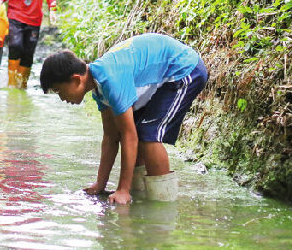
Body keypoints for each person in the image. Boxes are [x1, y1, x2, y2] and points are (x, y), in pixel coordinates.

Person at [38, 34, 208, 203]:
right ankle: (141, 199)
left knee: (148, 136)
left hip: (184, 69)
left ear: (76, 80)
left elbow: (129, 136)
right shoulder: (99, 87)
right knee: (138, 130)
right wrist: (100, 184)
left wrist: (122, 189)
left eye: (59, 91)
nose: (62, 98)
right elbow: (111, 137)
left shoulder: (111, 80)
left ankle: (162, 206)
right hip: (161, 77)